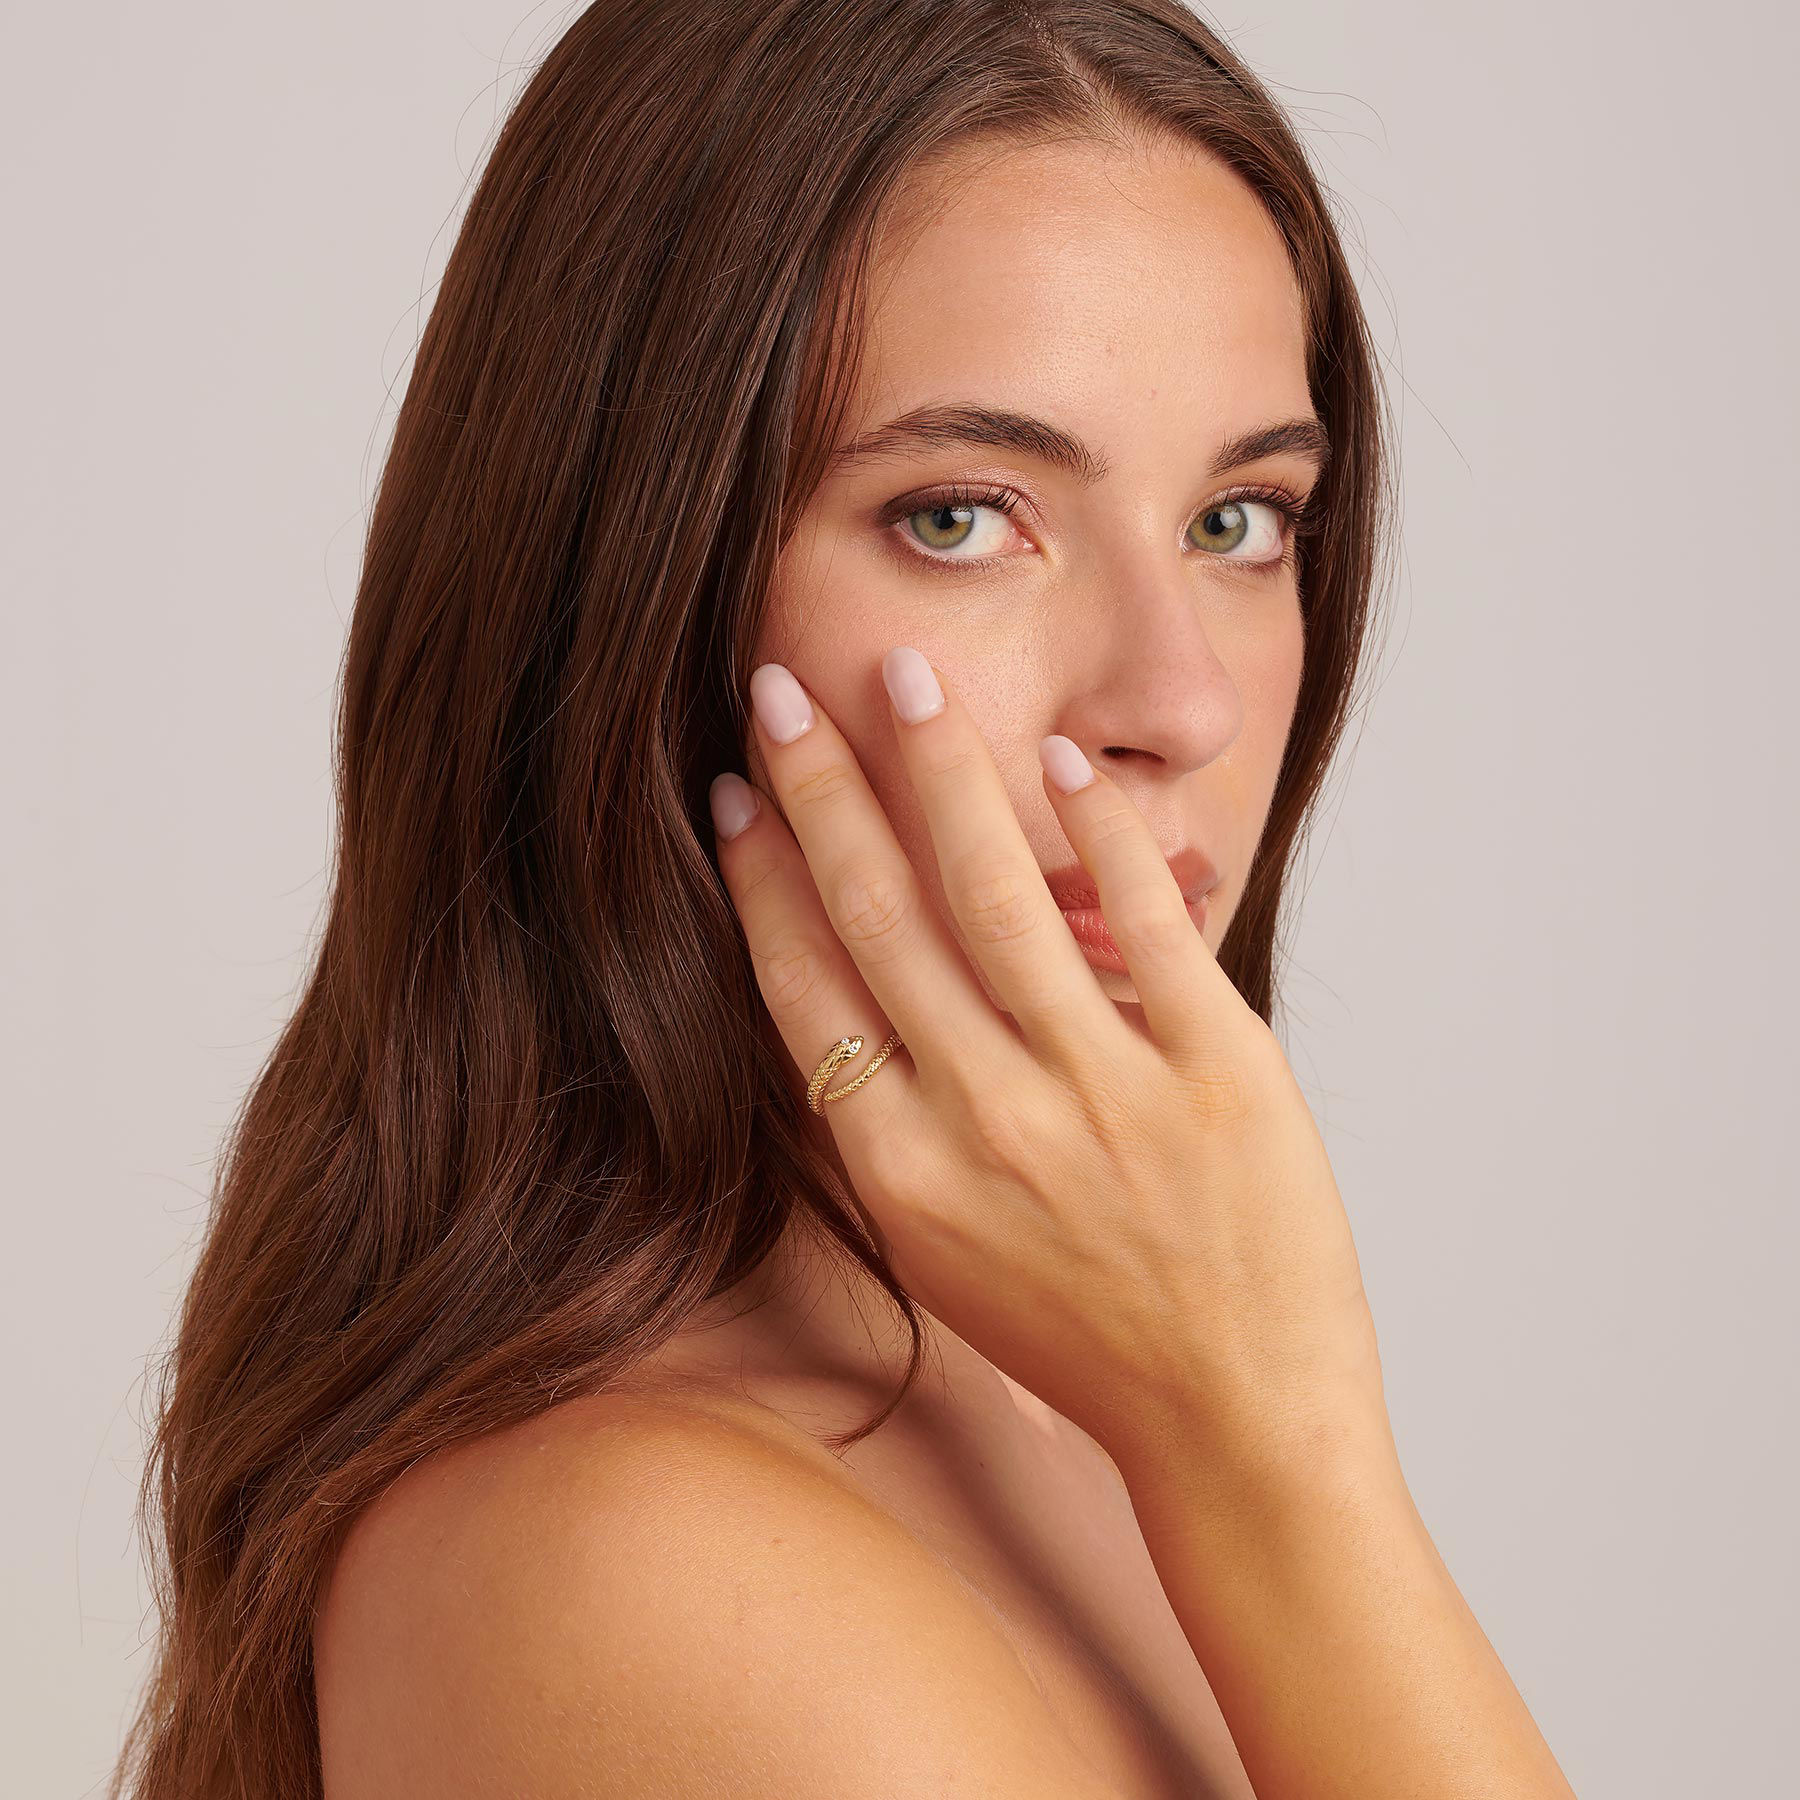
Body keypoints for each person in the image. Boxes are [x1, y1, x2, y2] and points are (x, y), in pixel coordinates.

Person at [111, 4, 1577, 1797]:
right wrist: (1281, 1448)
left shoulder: (1077, 1402)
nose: (1179, 702)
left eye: (1239, 520)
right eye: (961, 517)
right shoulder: (643, 1565)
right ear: (631, 585)